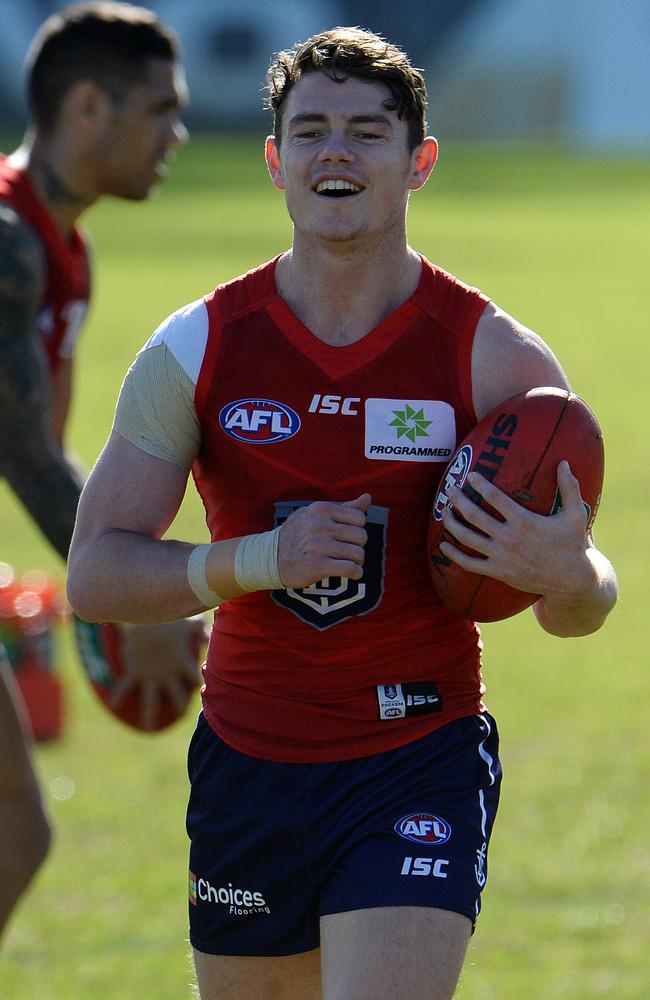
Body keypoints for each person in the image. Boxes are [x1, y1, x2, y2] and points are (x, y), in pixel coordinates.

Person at [66, 26, 618, 1000]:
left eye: (368, 132)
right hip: (249, 759)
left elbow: (578, 602)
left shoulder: (496, 363)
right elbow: (97, 575)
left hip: (417, 755)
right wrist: (255, 561)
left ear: (419, 163)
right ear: (275, 160)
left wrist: (569, 574)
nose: (336, 152)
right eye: (311, 129)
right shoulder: (196, 349)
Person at [0, 1, 198, 944]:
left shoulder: (56, 245)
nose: (179, 133)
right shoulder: (6, 242)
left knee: (14, 836)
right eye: (159, 108)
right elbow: (27, 453)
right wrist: (130, 593)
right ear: (88, 107)